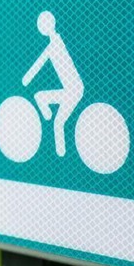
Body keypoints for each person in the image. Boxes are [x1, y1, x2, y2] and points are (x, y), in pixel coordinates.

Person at [22, 10, 84, 157]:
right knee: (40, 98)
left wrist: (27, 79)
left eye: (43, 25)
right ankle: (48, 116)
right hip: (70, 90)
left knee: (58, 123)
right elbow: (40, 62)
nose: (42, 29)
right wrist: (27, 78)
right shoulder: (54, 44)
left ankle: (62, 156)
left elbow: (40, 62)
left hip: (74, 90)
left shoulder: (56, 44)